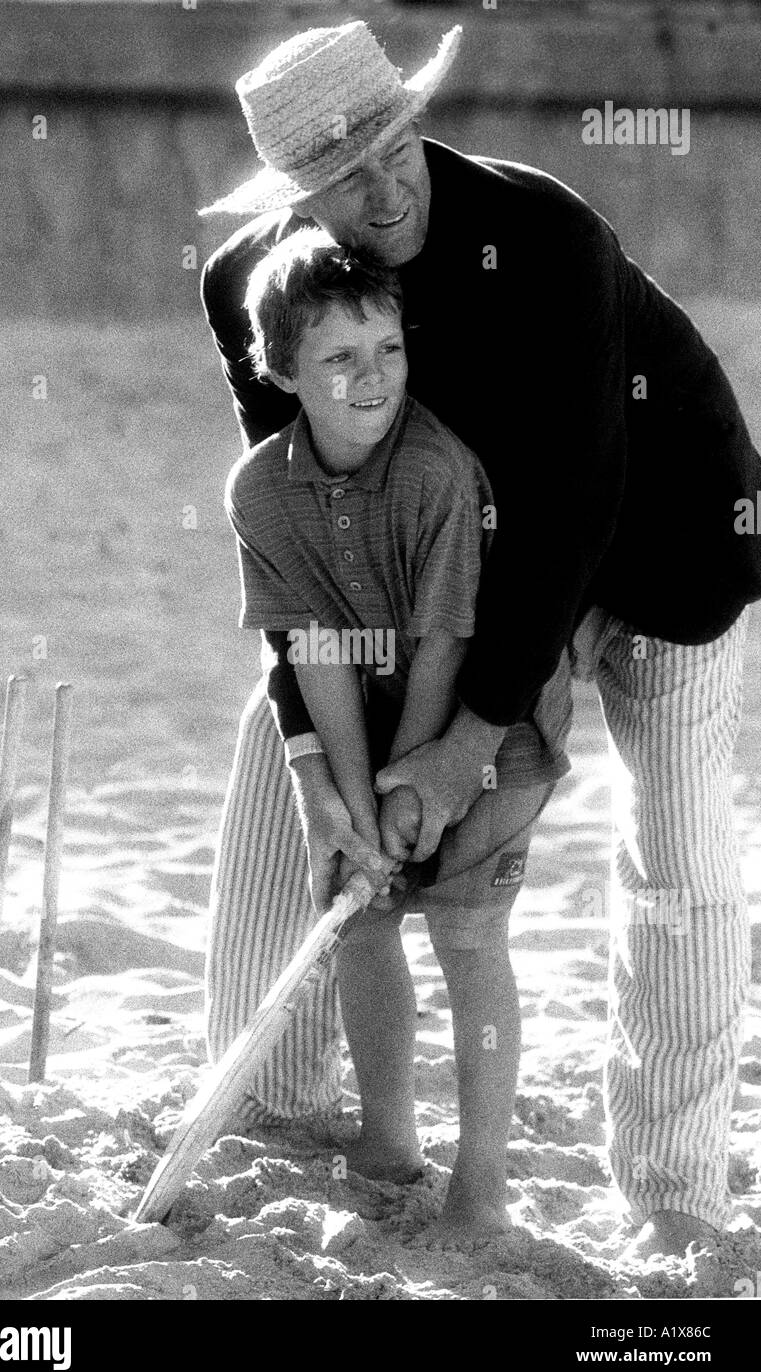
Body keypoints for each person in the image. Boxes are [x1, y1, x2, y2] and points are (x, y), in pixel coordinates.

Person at [200, 21, 761, 1256]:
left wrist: (465, 742)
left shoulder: (546, 232)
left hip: (659, 535)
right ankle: (278, 1099)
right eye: (346, 177)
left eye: (395, 147)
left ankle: (673, 1187)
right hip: (455, 555)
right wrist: (318, 761)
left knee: (677, 848)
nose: (387, 186)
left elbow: (574, 509)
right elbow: (293, 534)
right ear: (297, 197)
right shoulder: (252, 286)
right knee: (278, 744)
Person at [224, 227, 571, 1243]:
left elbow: (438, 649)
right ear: (283, 370)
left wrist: (411, 788)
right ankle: (387, 1139)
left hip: (477, 725)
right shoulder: (258, 490)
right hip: (365, 727)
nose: (372, 378)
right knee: (360, 913)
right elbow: (314, 648)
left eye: (387, 349)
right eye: (338, 357)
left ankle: (483, 1182)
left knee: (467, 934)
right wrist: (345, 801)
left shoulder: (434, 473)